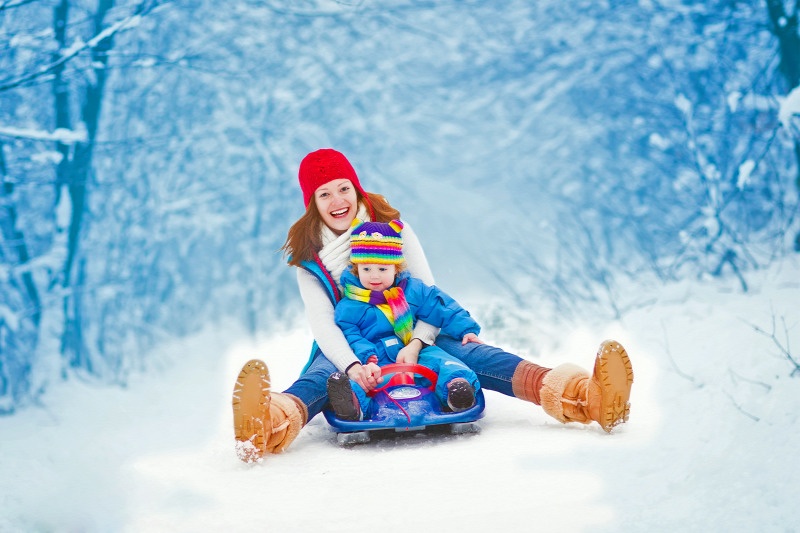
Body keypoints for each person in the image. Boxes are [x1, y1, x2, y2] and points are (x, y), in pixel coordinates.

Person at [231, 148, 634, 463]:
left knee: (475, 355)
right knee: (324, 375)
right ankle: (266, 425)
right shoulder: (310, 261)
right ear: (312, 202)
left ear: (356, 188)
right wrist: (353, 365)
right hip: (351, 342)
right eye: (325, 193)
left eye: (344, 188)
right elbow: (325, 326)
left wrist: (418, 343)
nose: (338, 200)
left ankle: (586, 398)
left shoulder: (395, 231)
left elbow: (428, 294)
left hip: (413, 329)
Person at [327, 219, 482, 420]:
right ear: (356, 269)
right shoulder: (349, 306)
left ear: (396, 268)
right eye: (366, 269)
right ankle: (352, 404)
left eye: (382, 269)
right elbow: (351, 335)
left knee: (443, 362)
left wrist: (466, 329)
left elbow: (440, 305)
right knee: (363, 380)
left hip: (414, 350)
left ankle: (456, 390)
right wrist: (367, 357)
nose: (374, 276)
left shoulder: (412, 290)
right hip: (377, 357)